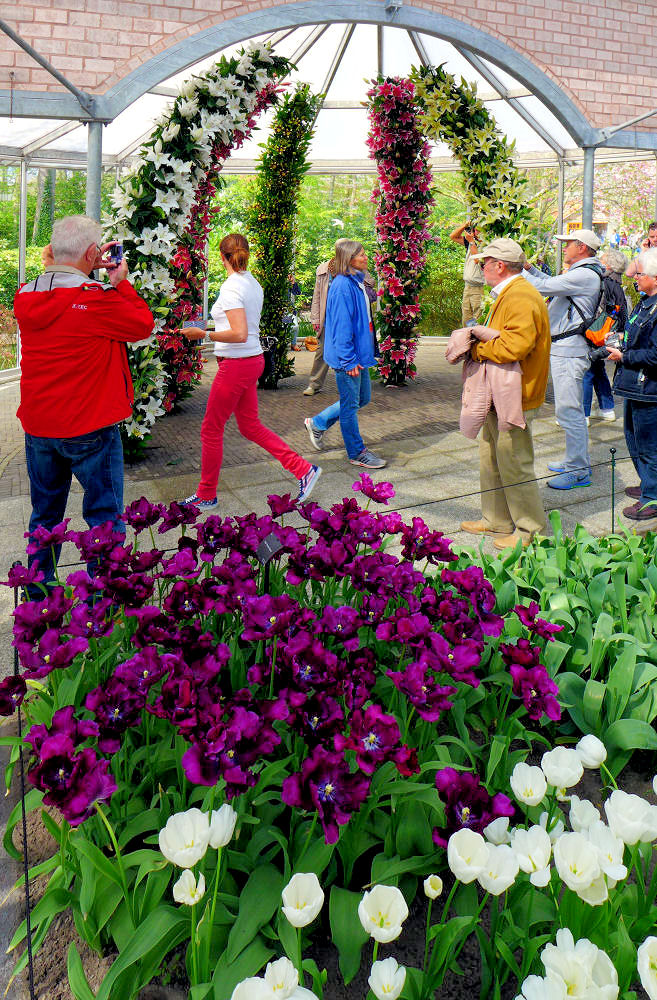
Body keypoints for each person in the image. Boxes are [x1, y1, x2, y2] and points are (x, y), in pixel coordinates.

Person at [13, 214, 155, 587]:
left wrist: (66, 264)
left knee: (44, 518)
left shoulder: (26, 294)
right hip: (89, 426)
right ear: (94, 253)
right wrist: (120, 283)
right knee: (104, 518)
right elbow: (142, 325)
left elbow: (57, 290)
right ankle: (103, 605)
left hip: (40, 426)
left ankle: (39, 603)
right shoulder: (96, 301)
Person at [182, 233, 321, 509]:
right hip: (250, 361)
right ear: (245, 254)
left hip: (237, 365)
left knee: (211, 429)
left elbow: (240, 332)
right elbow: (245, 330)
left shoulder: (232, 287)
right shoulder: (252, 283)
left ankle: (206, 494)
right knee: (249, 426)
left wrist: (205, 334)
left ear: (222, 258)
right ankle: (304, 469)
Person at [456, 238, 551, 549]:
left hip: (515, 396)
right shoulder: (511, 292)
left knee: (514, 461)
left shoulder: (521, 295)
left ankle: (530, 531)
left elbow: (515, 346)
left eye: (485, 262)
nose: (481, 267)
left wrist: (476, 347)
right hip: (501, 394)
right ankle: (497, 519)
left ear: (499, 266)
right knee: (493, 458)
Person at [522, 228, 604, 490]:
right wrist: (530, 268)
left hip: (570, 351)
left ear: (581, 247)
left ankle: (578, 470)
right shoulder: (584, 272)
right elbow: (548, 283)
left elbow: (543, 287)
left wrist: (517, 269)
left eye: (567, 244)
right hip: (566, 349)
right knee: (569, 410)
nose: (564, 248)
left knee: (569, 411)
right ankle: (574, 461)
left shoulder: (583, 274)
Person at [304, 240, 386, 470]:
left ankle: (318, 422)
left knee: (362, 399)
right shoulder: (342, 286)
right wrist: (349, 360)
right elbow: (341, 328)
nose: (365, 257)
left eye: (364, 253)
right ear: (348, 259)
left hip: (359, 355)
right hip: (348, 358)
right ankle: (357, 452)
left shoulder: (357, 281)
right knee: (350, 405)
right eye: (360, 254)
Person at [606, 247, 657, 522]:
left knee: (649, 446)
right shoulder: (644, 302)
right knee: (634, 440)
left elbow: (656, 355)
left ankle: (653, 496)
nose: (635, 277)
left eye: (641, 274)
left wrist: (625, 355)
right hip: (634, 385)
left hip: (649, 388)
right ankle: (649, 485)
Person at [303, 244, 377, 396]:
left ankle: (349, 382)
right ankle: (315, 384)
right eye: (361, 254)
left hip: (349, 317)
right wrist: (316, 318)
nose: (365, 257)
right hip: (329, 316)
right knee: (323, 350)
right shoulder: (326, 271)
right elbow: (317, 296)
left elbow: (371, 284)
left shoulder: (355, 273)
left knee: (359, 398)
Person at [582, 247, 628, 424]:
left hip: (597, 333)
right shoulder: (618, 285)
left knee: (587, 370)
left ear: (608, 264)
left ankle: (583, 414)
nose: (599, 262)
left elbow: (595, 310)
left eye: (602, 259)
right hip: (612, 334)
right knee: (598, 369)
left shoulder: (603, 282)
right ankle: (607, 409)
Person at [450, 220, 485, 325]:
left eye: (480, 230)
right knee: (466, 317)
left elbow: (477, 259)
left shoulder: (487, 245)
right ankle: (466, 340)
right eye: (475, 230)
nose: (477, 232)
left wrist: (471, 242)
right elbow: (453, 236)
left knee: (478, 319)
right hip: (468, 286)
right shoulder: (470, 243)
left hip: (479, 288)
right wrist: (464, 225)